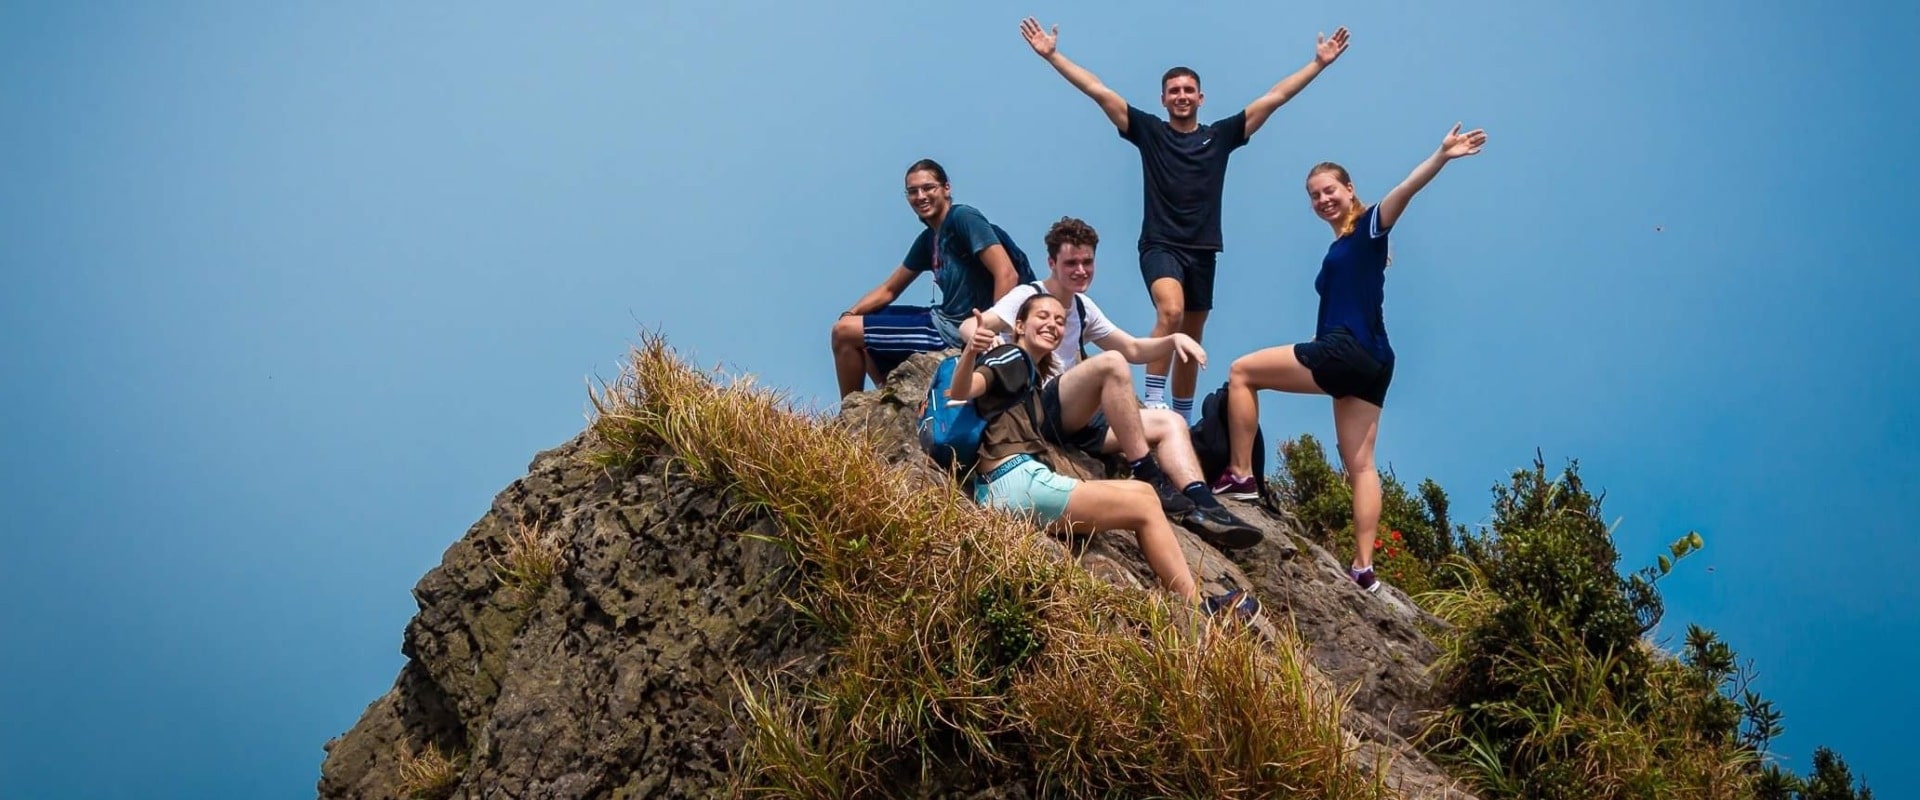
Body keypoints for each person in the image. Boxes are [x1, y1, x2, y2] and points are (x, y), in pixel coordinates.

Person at [1019, 17, 1350, 422]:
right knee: (1171, 313)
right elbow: (1098, 91)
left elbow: (1275, 97)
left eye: (1188, 90)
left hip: (1203, 249)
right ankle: (1154, 399)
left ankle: (1181, 417)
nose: (1181, 96)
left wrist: (1317, 64)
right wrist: (1054, 56)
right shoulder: (1151, 131)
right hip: (1160, 244)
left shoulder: (1221, 135)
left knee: (1191, 339)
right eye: (1174, 91)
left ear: (1201, 97)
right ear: (1163, 99)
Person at [1217, 123, 1489, 592]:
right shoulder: (1344, 244)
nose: (1323, 199)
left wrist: (1441, 156)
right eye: (1314, 194)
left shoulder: (1367, 229)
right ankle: (1363, 569)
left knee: (1242, 372)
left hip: (1348, 348)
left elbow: (1404, 191)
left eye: (1330, 190)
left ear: (1349, 190)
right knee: (1359, 465)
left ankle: (1241, 476)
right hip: (1375, 361)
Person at [949, 293, 1258, 618]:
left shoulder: (1032, 380)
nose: (1052, 324)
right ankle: (1200, 609)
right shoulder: (1011, 357)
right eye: (1042, 316)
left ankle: (1199, 603)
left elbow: (1134, 348)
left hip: (1012, 485)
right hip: (1015, 482)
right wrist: (971, 351)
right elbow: (963, 390)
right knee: (1143, 503)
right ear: (1020, 325)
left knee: (1144, 495)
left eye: (1059, 321)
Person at [960, 217, 1261, 549]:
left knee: (1170, 422)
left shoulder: (1082, 306)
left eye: (1087, 262)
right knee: (1110, 364)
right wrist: (984, 344)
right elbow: (970, 326)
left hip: (1077, 419)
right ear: (1052, 263)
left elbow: (1132, 347)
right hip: (1039, 406)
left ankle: (1204, 507)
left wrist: (1173, 339)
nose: (1080, 270)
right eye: (1070, 263)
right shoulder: (1030, 296)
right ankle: (1147, 473)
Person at [830, 159, 1027, 397]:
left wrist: (994, 332)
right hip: (939, 318)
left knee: (844, 333)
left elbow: (1006, 273)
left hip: (953, 331)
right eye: (912, 191)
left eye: (928, 188)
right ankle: (887, 397)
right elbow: (889, 290)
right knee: (859, 323)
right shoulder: (929, 240)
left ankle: (847, 425)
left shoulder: (963, 218)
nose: (920, 196)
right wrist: (850, 314)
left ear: (946, 188)